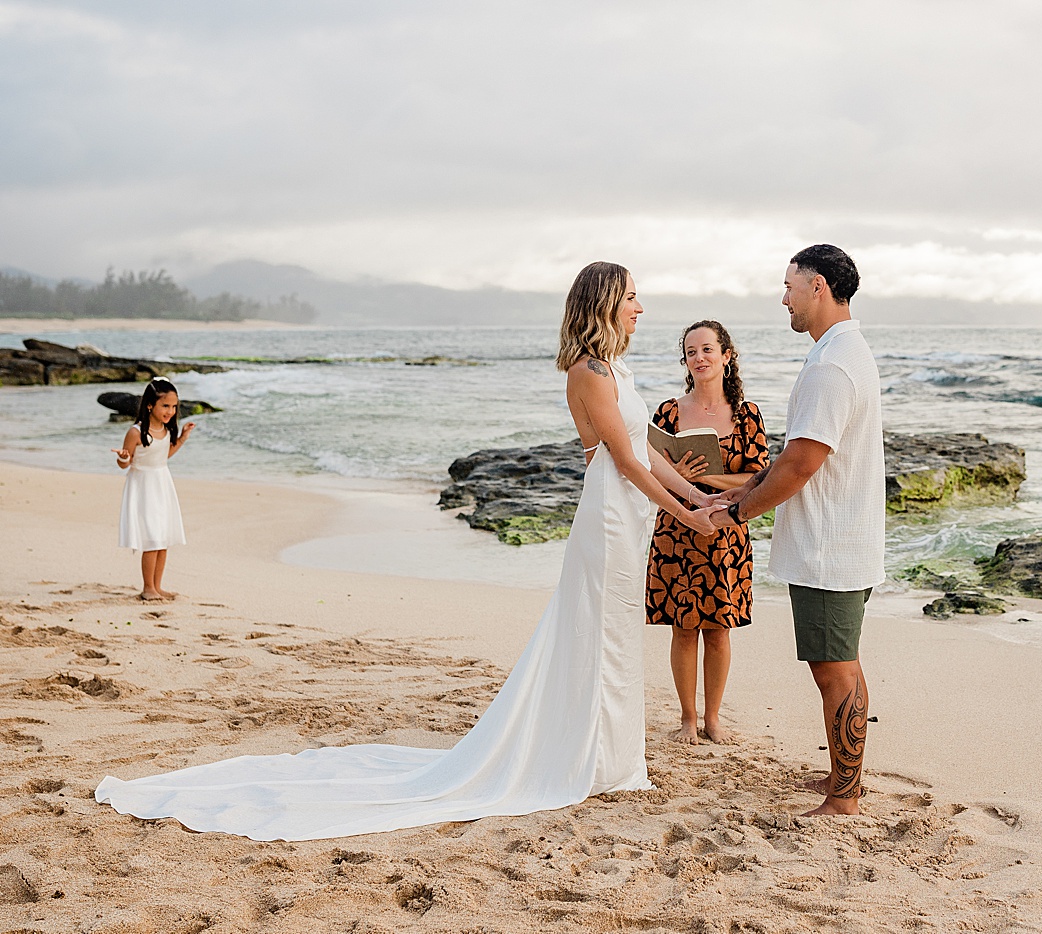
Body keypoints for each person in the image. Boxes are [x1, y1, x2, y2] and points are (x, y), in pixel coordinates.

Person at [96, 262, 720, 841]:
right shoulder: (588, 372)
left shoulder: (619, 372)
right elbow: (622, 460)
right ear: (607, 303)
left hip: (628, 515)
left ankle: (608, 757)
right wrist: (686, 515)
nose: (641, 306)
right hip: (609, 518)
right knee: (601, 636)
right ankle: (593, 761)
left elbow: (653, 453)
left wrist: (700, 497)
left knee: (614, 634)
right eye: (633, 296)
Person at [713, 244, 884, 817]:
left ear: (818, 287)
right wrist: (747, 487)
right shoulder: (840, 354)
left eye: (788, 286)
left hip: (830, 545)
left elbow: (804, 462)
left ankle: (844, 798)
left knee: (834, 667)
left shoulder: (833, 364)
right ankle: (844, 778)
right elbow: (797, 457)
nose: (782, 297)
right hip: (841, 539)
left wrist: (739, 514)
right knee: (841, 662)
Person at [647, 320, 770, 745]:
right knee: (683, 628)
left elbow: (760, 478)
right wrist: (678, 478)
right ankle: (686, 718)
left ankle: (713, 719)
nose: (698, 358)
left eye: (706, 349)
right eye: (690, 352)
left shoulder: (748, 414)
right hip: (678, 527)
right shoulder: (668, 411)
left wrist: (710, 483)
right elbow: (649, 473)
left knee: (718, 629)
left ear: (726, 356)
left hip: (728, 532)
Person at [111, 377, 195, 601]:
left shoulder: (167, 429)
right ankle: (148, 588)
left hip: (162, 484)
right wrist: (123, 458)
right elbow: (125, 464)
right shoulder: (136, 432)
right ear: (150, 405)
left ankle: (158, 586)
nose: (170, 411)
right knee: (152, 538)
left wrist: (183, 437)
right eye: (165, 406)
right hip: (143, 487)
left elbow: (163, 455)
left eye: (174, 406)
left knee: (163, 539)